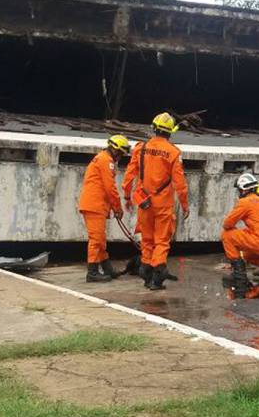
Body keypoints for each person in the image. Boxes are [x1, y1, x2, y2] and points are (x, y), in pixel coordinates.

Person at [122, 112, 190, 291]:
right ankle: (158, 275)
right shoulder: (173, 152)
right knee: (161, 241)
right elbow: (180, 183)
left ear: (153, 128)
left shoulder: (140, 148)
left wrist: (127, 196)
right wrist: (184, 205)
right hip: (162, 205)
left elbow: (129, 174)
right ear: (170, 132)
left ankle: (145, 272)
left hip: (143, 202)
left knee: (147, 239)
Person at [78, 134, 131, 282]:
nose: (121, 157)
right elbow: (110, 188)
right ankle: (92, 272)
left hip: (94, 204)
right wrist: (117, 208)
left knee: (100, 239)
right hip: (95, 205)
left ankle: (107, 269)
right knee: (96, 240)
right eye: (121, 153)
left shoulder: (101, 158)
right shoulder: (106, 161)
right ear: (116, 150)